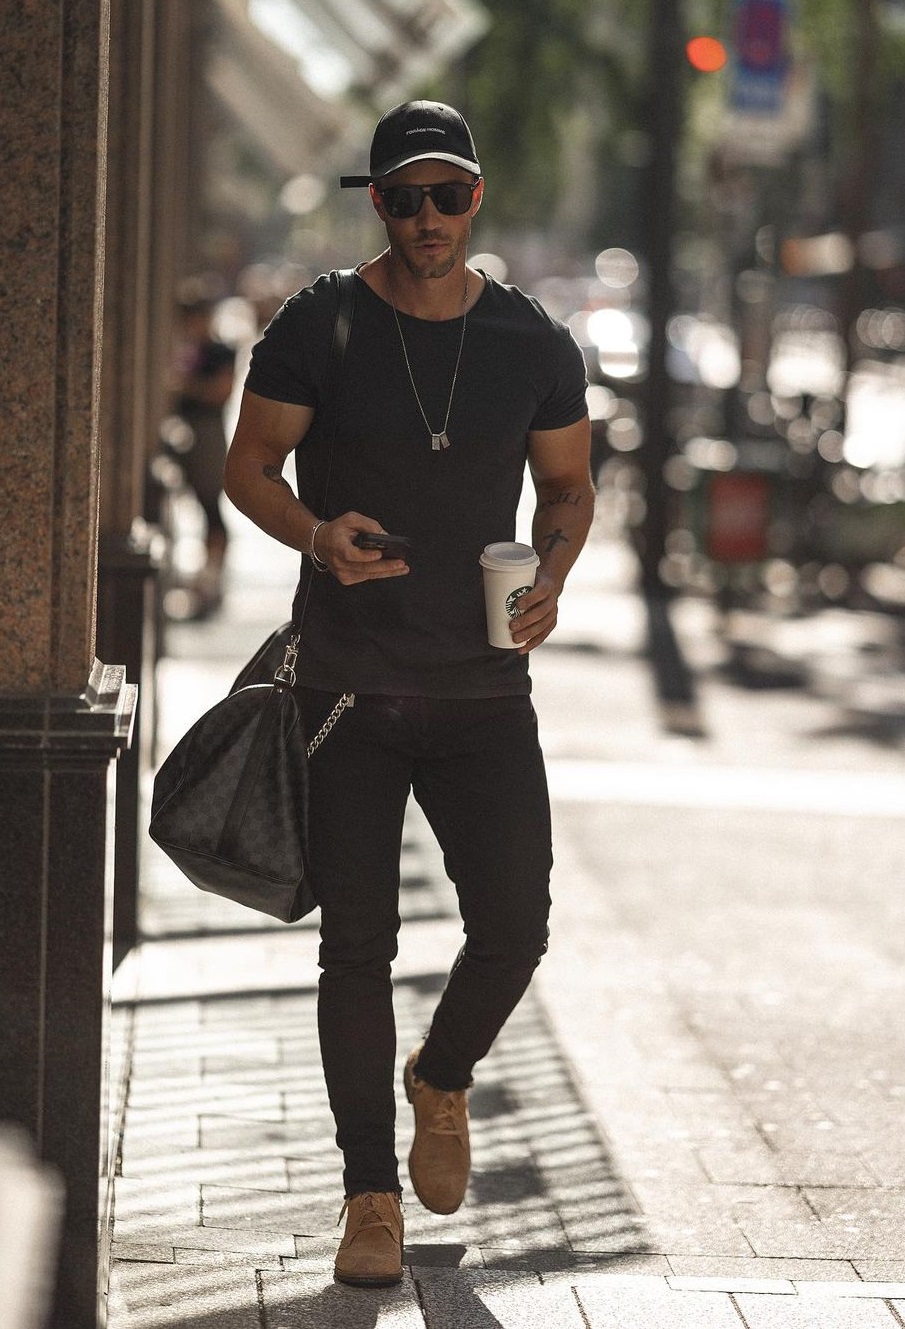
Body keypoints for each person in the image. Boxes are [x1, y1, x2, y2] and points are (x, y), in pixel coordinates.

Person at [223, 100, 594, 1288]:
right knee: (355, 949)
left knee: (515, 925)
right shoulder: (318, 324)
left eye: (446, 195)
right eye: (401, 197)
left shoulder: (532, 340)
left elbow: (569, 489)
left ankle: (439, 1076)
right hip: (347, 682)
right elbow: (245, 467)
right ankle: (368, 1198)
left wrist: (551, 579)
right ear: (374, 203)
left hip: (484, 688)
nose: (426, 218)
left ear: (474, 199)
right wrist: (313, 532)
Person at [170, 293, 236, 617]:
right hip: (186, 433)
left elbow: (220, 392)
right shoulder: (186, 352)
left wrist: (185, 387)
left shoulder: (221, 352)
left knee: (211, 505)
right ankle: (201, 575)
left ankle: (211, 577)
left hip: (209, 435)